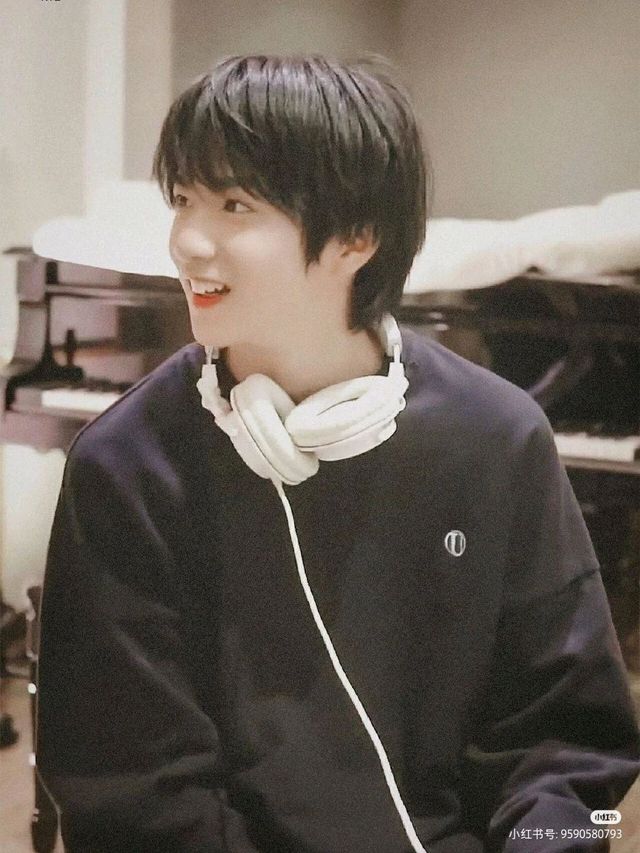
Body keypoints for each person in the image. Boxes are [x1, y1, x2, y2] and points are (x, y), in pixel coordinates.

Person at [36, 54, 639, 853]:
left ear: (357, 236)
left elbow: (575, 756)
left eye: (235, 204)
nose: (187, 241)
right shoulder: (125, 466)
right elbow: (133, 798)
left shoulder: (499, 439)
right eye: (182, 200)